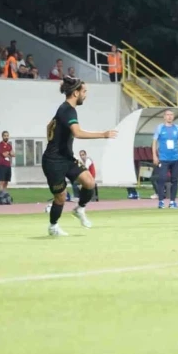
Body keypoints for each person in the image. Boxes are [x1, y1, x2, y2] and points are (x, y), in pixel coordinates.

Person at [43, 76, 118, 236]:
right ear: (76, 93)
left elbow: (50, 127)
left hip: (66, 158)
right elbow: (77, 133)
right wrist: (103, 134)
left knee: (89, 182)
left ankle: (79, 208)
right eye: (84, 91)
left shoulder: (65, 109)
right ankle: (53, 226)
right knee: (60, 197)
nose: (85, 95)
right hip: (53, 161)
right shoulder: (67, 110)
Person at [152, 109, 178, 209]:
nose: (169, 116)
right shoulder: (160, 128)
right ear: (164, 117)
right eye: (167, 115)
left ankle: (172, 202)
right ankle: (161, 201)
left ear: (173, 117)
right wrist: (154, 155)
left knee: (174, 180)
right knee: (161, 179)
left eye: (171, 115)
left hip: (175, 158)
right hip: (163, 158)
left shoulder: (177, 128)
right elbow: (154, 142)